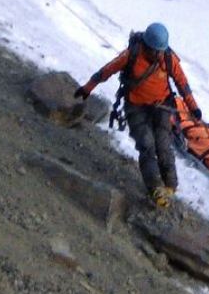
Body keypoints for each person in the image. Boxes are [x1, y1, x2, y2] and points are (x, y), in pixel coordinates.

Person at [74, 22, 201, 208]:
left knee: (163, 144)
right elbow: (106, 71)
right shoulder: (132, 55)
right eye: (154, 51)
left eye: (160, 51)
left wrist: (193, 107)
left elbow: (182, 83)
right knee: (146, 145)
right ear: (147, 47)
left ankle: (170, 186)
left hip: (162, 106)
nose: (157, 55)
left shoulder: (167, 58)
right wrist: (87, 88)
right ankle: (155, 189)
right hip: (136, 107)